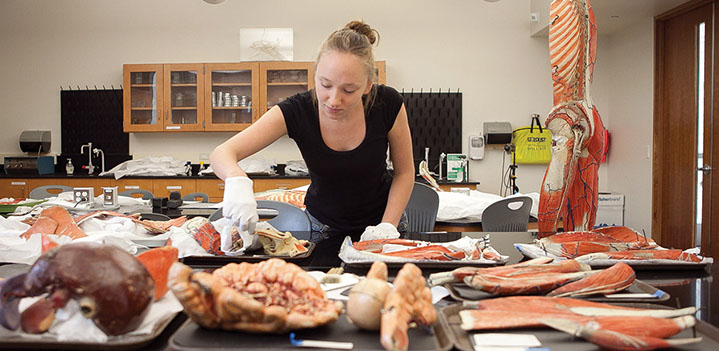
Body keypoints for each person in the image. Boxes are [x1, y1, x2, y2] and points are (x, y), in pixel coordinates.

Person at [210, 20, 415, 243]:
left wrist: (387, 225)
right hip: (322, 228)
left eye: (348, 90)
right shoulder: (298, 110)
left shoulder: (388, 103)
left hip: (384, 224)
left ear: (367, 85)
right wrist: (236, 180)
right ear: (315, 74)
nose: (334, 100)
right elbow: (222, 153)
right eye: (325, 85)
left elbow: (404, 172)